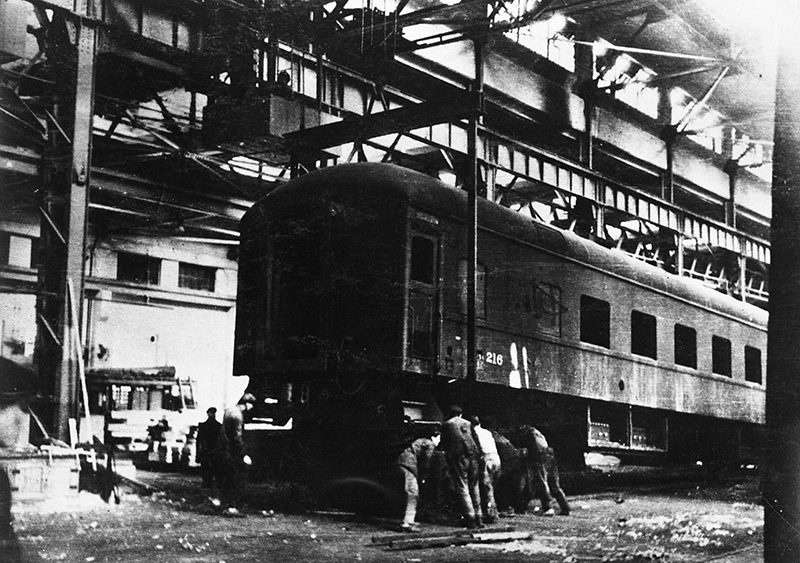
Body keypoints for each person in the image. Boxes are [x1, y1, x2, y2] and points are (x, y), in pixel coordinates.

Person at [440, 405, 482, 529]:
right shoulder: (468, 423)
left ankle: (470, 519)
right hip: (474, 456)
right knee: (474, 487)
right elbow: (476, 440)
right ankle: (479, 518)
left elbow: (444, 443)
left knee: (462, 486)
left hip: (459, 457)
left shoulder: (447, 424)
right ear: (461, 414)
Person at [515, 425, 570, 516]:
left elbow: (530, 450)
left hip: (539, 457)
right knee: (554, 484)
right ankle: (565, 507)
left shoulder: (526, 434)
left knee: (541, 483)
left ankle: (548, 507)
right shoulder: (536, 433)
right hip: (548, 456)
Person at [393, 431, 441, 532]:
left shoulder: (422, 441)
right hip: (408, 464)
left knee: (410, 493)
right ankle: (407, 523)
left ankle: (409, 520)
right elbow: (426, 461)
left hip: (403, 462)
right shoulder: (430, 444)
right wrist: (424, 476)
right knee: (413, 493)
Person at [219, 393, 256, 510]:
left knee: (227, 478)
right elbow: (237, 436)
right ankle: (233, 505)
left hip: (224, 450)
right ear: (247, 404)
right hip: (233, 452)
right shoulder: (238, 416)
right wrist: (244, 453)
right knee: (237, 479)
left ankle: (225, 504)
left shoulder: (229, 411)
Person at [470, 416, 500, 524]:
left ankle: (491, 515)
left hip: (486, 458)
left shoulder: (473, 433)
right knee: (491, 487)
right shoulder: (487, 432)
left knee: (487, 489)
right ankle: (491, 512)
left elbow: (476, 448)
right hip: (496, 458)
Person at [196, 407, 223, 488]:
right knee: (214, 467)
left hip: (206, 449)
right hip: (213, 449)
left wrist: (198, 453)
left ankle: (207, 482)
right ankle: (211, 482)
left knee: (206, 467)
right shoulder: (218, 426)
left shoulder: (203, 426)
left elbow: (199, 440)